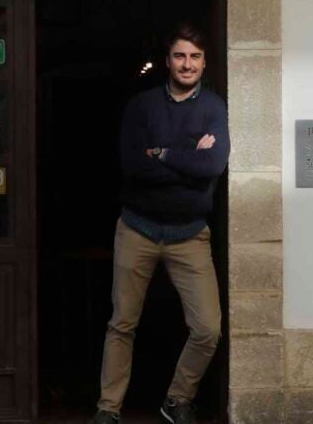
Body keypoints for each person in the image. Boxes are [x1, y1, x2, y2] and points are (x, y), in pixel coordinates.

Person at [91, 23, 230, 424]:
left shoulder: (214, 108)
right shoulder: (142, 106)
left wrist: (163, 153)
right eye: (180, 56)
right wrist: (188, 156)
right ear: (168, 61)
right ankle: (108, 409)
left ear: (205, 63)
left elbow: (212, 166)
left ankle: (177, 398)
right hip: (137, 228)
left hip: (190, 234)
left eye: (195, 57)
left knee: (208, 329)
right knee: (122, 324)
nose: (187, 64)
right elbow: (134, 167)